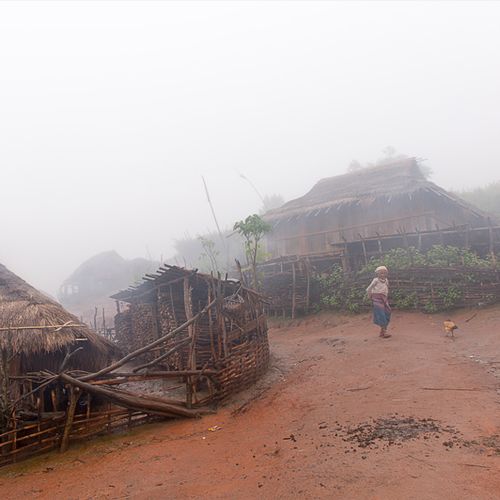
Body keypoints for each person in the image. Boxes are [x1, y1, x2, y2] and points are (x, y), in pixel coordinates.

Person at [366, 266, 392, 338]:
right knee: (381, 314)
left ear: (386, 273)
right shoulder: (375, 280)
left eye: (384, 273)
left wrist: (385, 296)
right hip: (377, 299)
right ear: (377, 274)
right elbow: (368, 289)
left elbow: (386, 288)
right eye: (381, 273)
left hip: (384, 298)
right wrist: (370, 296)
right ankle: (384, 332)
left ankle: (382, 331)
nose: (382, 275)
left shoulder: (386, 280)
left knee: (388, 312)